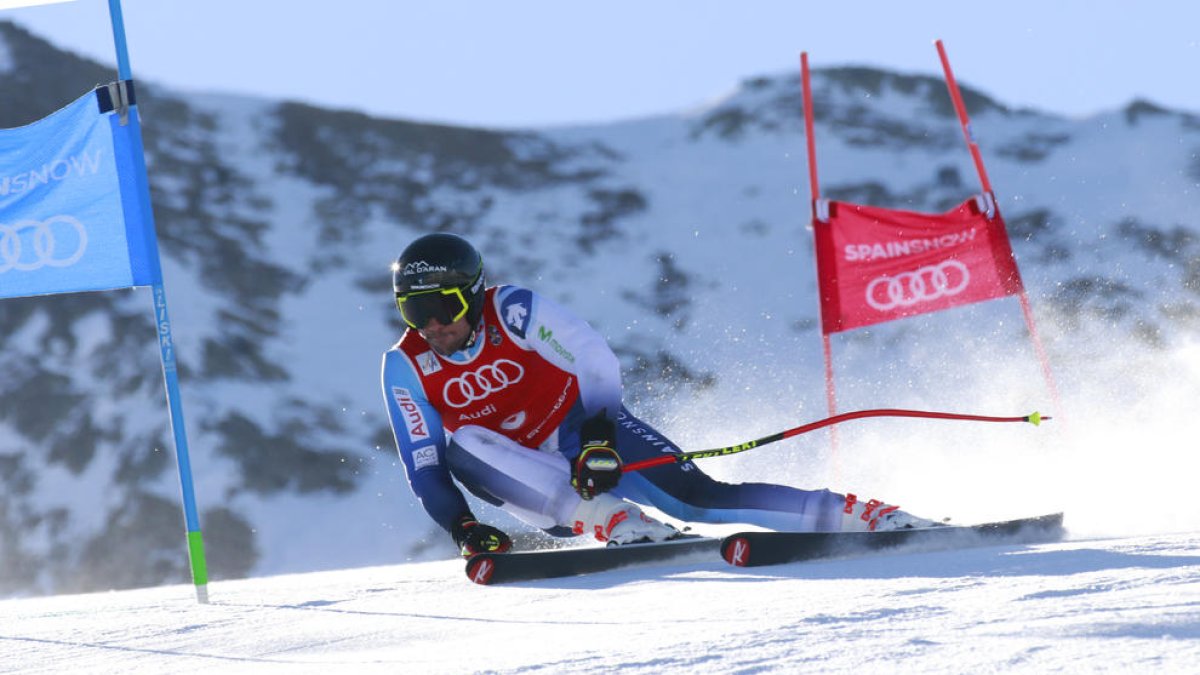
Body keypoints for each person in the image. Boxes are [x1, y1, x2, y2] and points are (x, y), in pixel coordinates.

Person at [382, 233, 935, 557]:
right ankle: (613, 520)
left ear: (473, 295)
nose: (432, 324)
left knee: (698, 498)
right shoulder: (405, 366)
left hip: (584, 432)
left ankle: (862, 516)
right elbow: (424, 464)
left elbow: (592, 358)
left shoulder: (514, 310)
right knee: (462, 445)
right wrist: (463, 527)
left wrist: (598, 438)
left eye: (445, 306)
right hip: (529, 480)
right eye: (414, 311)